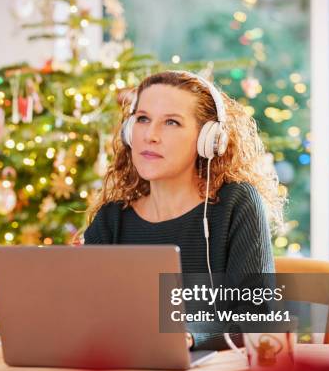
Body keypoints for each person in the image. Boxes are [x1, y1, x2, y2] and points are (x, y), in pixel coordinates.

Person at [81, 70, 286, 351]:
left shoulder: (236, 203)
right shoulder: (112, 218)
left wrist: (190, 336)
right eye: (142, 119)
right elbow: (88, 314)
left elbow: (258, 317)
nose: (150, 135)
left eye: (171, 122)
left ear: (209, 140)